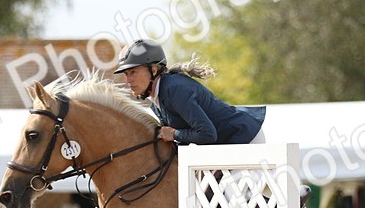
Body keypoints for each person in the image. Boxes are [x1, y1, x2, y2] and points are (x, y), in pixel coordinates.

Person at [113, 39, 266, 146]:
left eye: (133, 72)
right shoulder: (155, 99)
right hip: (227, 144)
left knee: (226, 191)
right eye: (126, 74)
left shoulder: (174, 89)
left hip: (246, 137)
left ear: (153, 70)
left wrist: (174, 134)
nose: (128, 80)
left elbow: (207, 134)